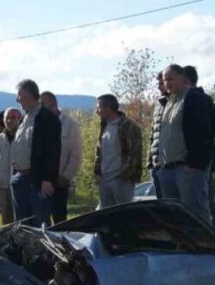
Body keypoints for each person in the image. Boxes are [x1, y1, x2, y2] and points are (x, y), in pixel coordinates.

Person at [154, 65, 213, 222]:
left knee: (195, 216)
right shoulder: (168, 102)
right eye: (165, 80)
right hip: (167, 169)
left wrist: (193, 164)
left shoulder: (194, 98)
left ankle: (202, 247)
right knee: (174, 219)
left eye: (171, 79)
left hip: (187, 170)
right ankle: (182, 247)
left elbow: (203, 133)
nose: (167, 83)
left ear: (183, 78)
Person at [10, 80, 61, 227]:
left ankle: (41, 251)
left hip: (38, 181)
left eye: (19, 95)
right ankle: (25, 251)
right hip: (20, 179)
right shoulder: (24, 119)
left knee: (40, 224)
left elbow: (53, 151)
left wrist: (48, 179)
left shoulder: (48, 119)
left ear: (28, 94)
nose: (17, 99)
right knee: (22, 225)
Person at [185, 65, 215, 228]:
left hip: (198, 162)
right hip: (197, 161)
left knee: (201, 205)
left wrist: (194, 160)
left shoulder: (201, 100)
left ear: (184, 80)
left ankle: (209, 241)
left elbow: (204, 132)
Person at [39, 92, 83, 224]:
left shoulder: (70, 125)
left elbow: (76, 154)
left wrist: (65, 177)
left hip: (60, 180)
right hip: (40, 181)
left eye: (42, 104)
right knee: (41, 219)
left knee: (59, 219)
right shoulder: (38, 123)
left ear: (53, 104)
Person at [93, 94, 144, 207]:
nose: (97, 111)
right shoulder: (104, 126)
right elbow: (99, 152)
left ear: (108, 108)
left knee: (124, 215)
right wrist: (97, 172)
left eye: (99, 107)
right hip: (104, 180)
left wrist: (123, 176)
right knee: (107, 217)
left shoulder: (129, 126)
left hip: (122, 180)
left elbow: (134, 154)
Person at [0, 109, 22, 224]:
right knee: (6, 219)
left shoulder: (23, 137)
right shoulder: (0, 139)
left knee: (20, 217)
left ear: (19, 119)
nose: (9, 120)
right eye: (7, 118)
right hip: (2, 184)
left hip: (19, 183)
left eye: (13, 117)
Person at [148, 71, 169, 198]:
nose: (159, 86)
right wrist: (149, 161)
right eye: (159, 83)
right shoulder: (158, 104)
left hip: (169, 163)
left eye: (161, 83)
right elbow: (153, 133)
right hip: (156, 164)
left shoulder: (179, 103)